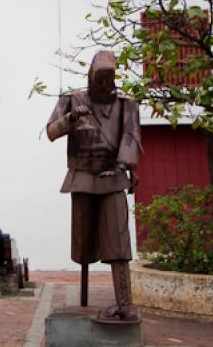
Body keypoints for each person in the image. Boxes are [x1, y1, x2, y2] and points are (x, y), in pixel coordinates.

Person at [46, 50, 141, 322]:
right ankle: (85, 299)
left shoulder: (126, 104)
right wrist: (72, 119)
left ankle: (124, 303)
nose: (103, 86)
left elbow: (131, 136)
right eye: (99, 80)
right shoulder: (72, 99)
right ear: (90, 77)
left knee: (118, 240)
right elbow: (52, 131)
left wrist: (123, 165)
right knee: (83, 242)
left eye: (108, 81)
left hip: (113, 178)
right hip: (82, 177)